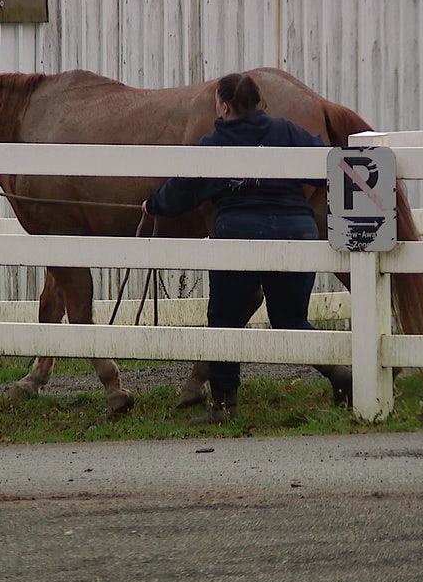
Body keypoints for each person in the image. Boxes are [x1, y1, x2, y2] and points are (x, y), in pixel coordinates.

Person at [142, 73, 353, 424]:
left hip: (239, 233)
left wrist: (153, 205)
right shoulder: (287, 132)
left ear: (224, 106)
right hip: (295, 231)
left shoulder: (215, 142)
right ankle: (341, 375)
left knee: (224, 320)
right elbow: (327, 166)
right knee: (290, 319)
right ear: (260, 103)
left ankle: (224, 406)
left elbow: (183, 190)